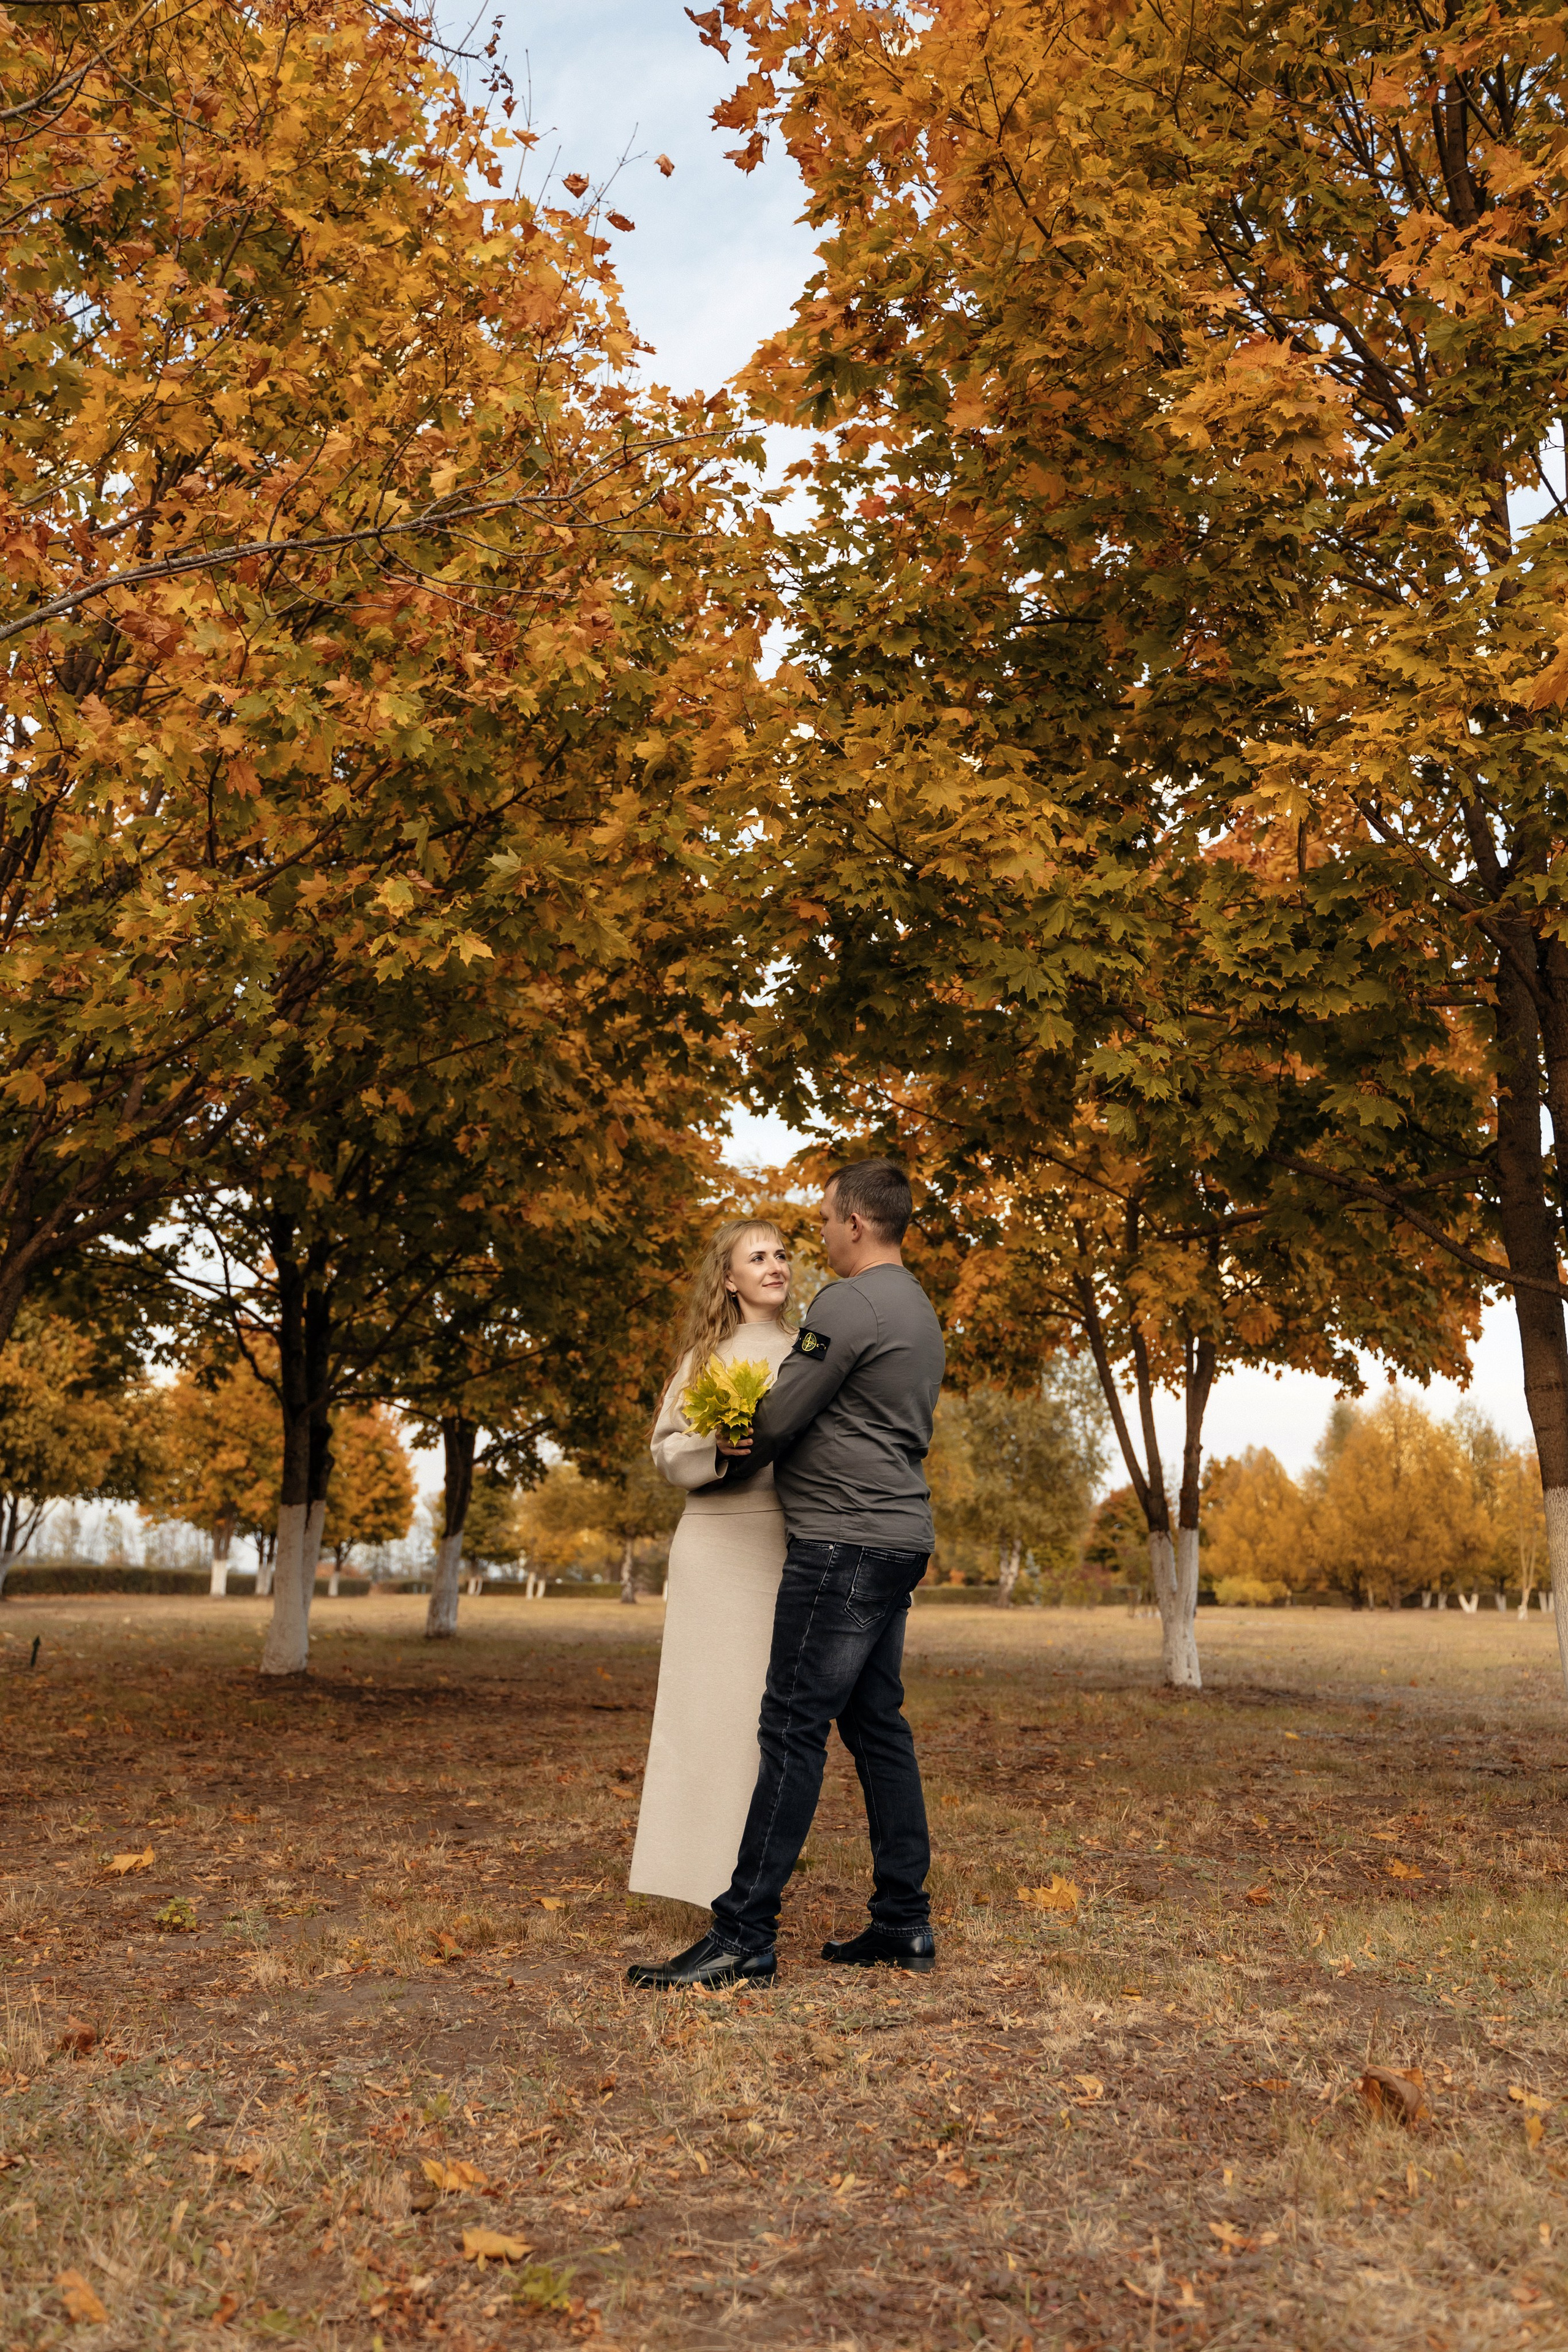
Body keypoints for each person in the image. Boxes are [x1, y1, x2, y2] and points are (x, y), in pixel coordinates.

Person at [627, 1158, 944, 1991]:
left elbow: (784, 1412)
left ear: (855, 1222)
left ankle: (742, 1935)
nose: (814, 1239)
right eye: (762, 1255)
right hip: (898, 1532)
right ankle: (903, 1921)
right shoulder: (917, 1306)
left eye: (823, 1221)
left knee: (793, 1728)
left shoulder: (842, 1305)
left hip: (841, 1541)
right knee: (878, 1726)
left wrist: (738, 1436)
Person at [628, 1220, 796, 1909]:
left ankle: (752, 1882)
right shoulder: (708, 1355)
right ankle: (693, 1879)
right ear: (729, 1279)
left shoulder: (813, 1346)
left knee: (769, 1723)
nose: (774, 1265)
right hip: (718, 1544)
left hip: (790, 1544)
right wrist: (718, 1448)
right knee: (705, 1714)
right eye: (756, 1257)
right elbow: (667, 1449)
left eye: (782, 1253)